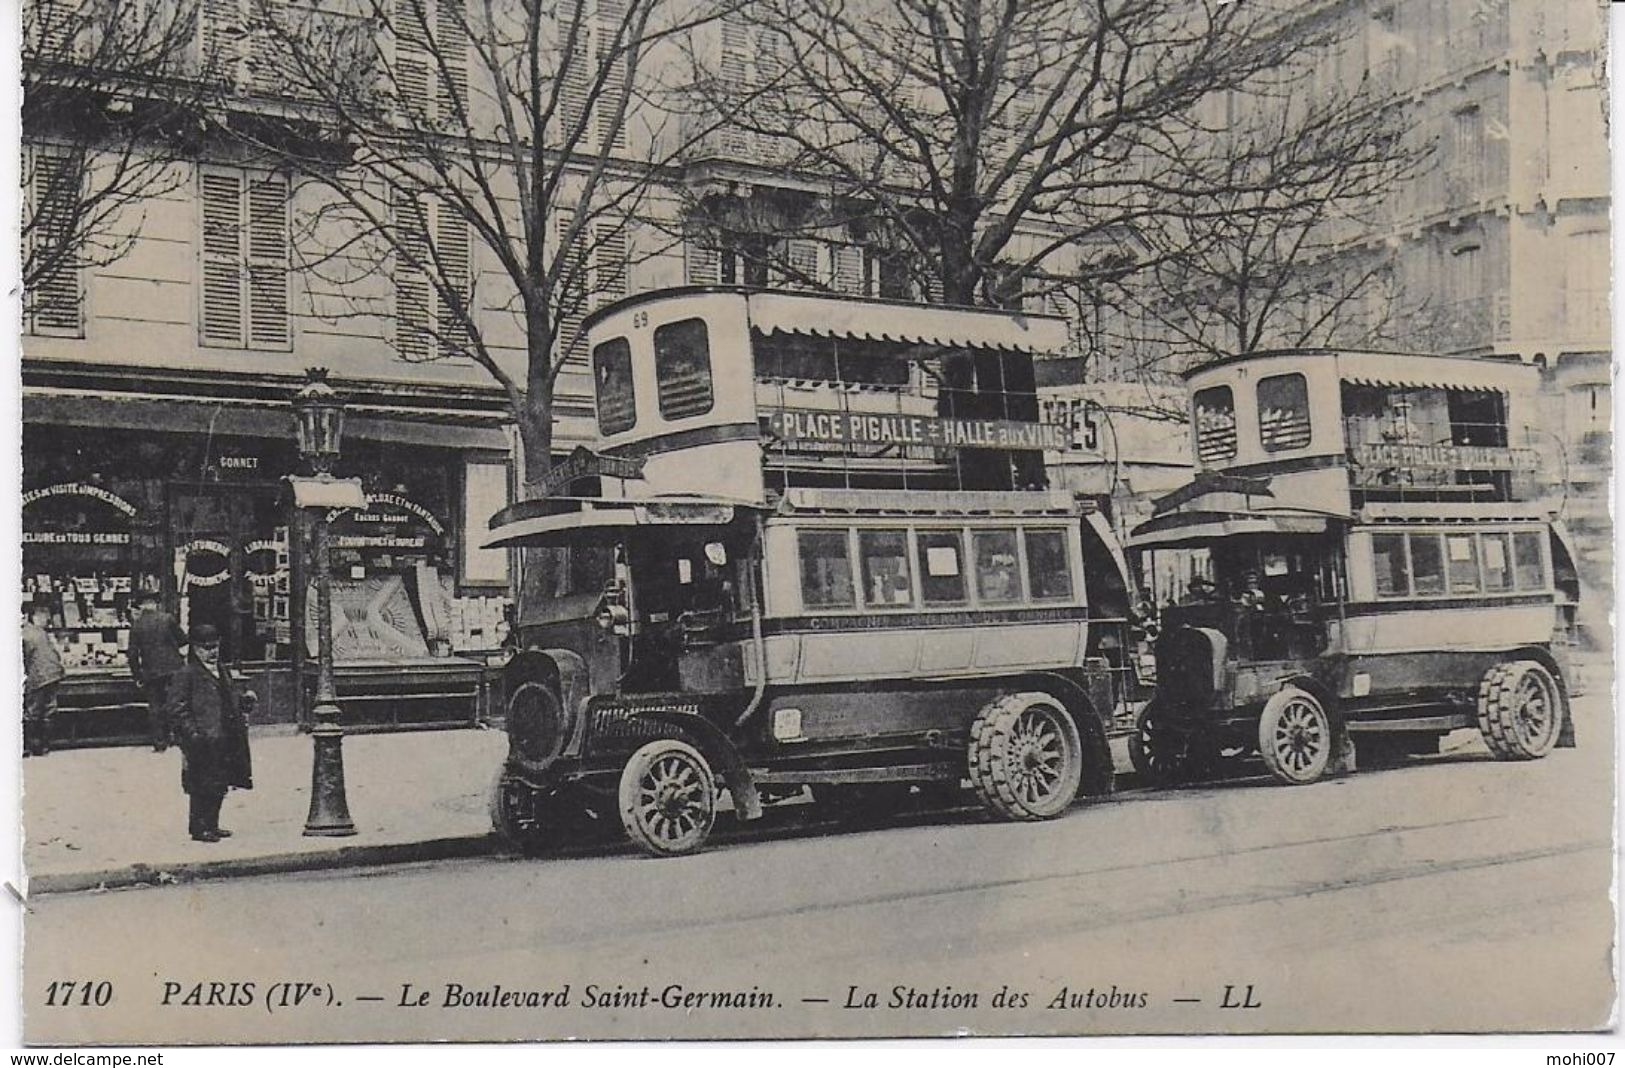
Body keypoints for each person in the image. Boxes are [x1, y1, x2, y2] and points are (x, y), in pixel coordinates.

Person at [167, 623, 254, 843]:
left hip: (224, 735)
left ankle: (213, 824)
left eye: (215, 646)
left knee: (219, 782)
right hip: (201, 739)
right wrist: (192, 734)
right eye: (206, 648)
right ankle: (199, 828)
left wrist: (244, 701)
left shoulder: (222, 670)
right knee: (200, 785)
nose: (212, 652)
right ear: (195, 649)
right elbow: (177, 709)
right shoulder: (186, 674)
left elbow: (229, 698)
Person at [128, 590, 186, 752]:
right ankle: (179, 738)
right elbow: (183, 641)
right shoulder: (167, 619)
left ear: (140, 606)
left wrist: (137, 675)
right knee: (176, 704)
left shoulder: (137, 625)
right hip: (174, 669)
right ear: (155, 604)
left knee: (155, 707)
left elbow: (132, 655)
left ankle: (160, 743)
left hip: (151, 672)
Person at [21, 601, 64, 757]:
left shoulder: (24, 634)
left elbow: (22, 659)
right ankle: (43, 746)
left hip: (38, 676)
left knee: (32, 711)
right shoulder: (41, 632)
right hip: (53, 674)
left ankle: (28, 746)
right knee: (48, 710)